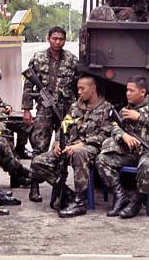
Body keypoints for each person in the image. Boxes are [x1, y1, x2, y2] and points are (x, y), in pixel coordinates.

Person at [30, 76, 113, 218]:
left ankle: (80, 203)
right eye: (78, 88)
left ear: (93, 89)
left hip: (91, 149)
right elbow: (64, 127)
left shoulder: (106, 108)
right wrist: (57, 143)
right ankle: (67, 193)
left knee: (79, 153)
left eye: (82, 88)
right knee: (37, 162)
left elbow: (105, 135)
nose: (79, 91)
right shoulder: (75, 107)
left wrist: (83, 143)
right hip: (68, 148)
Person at [96, 75, 149, 218]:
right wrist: (123, 135)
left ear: (142, 92)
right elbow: (114, 126)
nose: (127, 93)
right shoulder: (125, 109)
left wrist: (139, 117)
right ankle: (120, 195)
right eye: (127, 90)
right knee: (102, 159)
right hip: (130, 153)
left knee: (147, 165)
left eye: (131, 90)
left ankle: (137, 202)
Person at [22, 26, 79, 202]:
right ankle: (34, 186)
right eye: (54, 38)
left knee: (63, 146)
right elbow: (28, 84)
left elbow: (78, 85)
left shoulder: (71, 60)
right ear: (48, 38)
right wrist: (26, 109)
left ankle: (60, 183)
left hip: (66, 109)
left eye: (61, 39)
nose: (57, 42)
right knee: (39, 147)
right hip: (44, 109)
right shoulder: (38, 58)